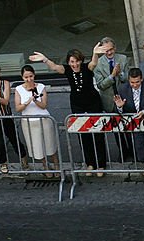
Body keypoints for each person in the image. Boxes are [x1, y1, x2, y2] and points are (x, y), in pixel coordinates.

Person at [32, 46, 108, 175]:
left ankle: (101, 165)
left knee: (97, 133)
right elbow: (54, 67)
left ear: (81, 61)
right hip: (77, 104)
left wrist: (95, 53)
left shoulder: (86, 67)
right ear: (68, 62)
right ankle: (90, 164)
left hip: (93, 102)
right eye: (72, 62)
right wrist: (44, 59)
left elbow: (94, 63)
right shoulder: (67, 70)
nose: (75, 64)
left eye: (77, 61)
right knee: (83, 134)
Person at [114, 68, 144, 190]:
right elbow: (118, 111)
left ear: (141, 79)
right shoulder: (123, 89)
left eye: (137, 82)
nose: (135, 85)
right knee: (140, 152)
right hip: (135, 127)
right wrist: (120, 108)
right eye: (132, 82)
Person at [15, 65, 59, 178]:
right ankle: (45, 166)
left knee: (50, 143)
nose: (29, 79)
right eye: (26, 77)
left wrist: (35, 100)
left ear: (34, 75)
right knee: (37, 146)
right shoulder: (19, 89)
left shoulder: (41, 87)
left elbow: (44, 105)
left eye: (30, 76)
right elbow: (18, 108)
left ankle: (56, 164)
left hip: (44, 119)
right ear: (22, 77)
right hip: (29, 122)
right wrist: (28, 101)